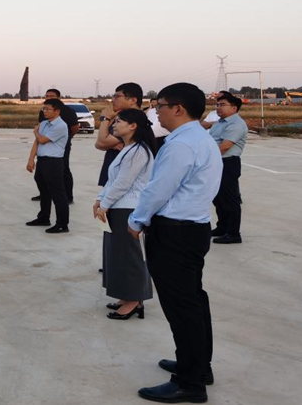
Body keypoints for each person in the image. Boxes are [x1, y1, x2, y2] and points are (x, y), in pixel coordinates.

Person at [127, 83, 222, 403]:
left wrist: (137, 220)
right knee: (193, 301)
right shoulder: (200, 138)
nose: (157, 113)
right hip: (193, 228)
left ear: (178, 109)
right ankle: (198, 366)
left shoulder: (181, 144)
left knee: (182, 309)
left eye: (160, 106)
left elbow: (158, 189)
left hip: (175, 233)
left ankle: (189, 382)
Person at [93, 108, 155, 319]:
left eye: (119, 121)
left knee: (129, 255)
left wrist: (104, 204)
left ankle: (135, 300)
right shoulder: (127, 149)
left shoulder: (138, 151)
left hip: (129, 208)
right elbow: (112, 180)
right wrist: (100, 199)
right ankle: (126, 295)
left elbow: (123, 183)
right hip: (117, 206)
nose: (114, 124)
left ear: (133, 126)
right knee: (117, 254)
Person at [209, 92, 248, 244]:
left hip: (228, 163)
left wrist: (204, 158)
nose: (218, 108)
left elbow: (224, 147)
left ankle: (233, 233)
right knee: (218, 198)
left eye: (222, 105)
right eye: (217, 105)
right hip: (217, 162)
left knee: (229, 199)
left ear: (234, 108)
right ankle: (222, 227)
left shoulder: (236, 124)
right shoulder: (220, 122)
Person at [26, 99, 70, 233]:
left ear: (57, 111)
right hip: (42, 161)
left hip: (53, 162)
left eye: (47, 109)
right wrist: (31, 159)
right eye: (43, 109)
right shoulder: (44, 123)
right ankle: (44, 217)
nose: (44, 111)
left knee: (58, 194)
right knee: (44, 192)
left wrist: (35, 132)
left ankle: (62, 224)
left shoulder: (61, 125)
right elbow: (36, 142)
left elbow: (42, 139)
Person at [30, 88, 79, 203]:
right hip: (45, 145)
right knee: (42, 174)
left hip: (60, 145)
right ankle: (45, 194)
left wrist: (67, 137)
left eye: (52, 96)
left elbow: (75, 127)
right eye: (47, 96)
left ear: (58, 97)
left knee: (64, 170)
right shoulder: (44, 112)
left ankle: (68, 196)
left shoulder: (68, 111)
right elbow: (41, 127)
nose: (49, 98)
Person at [96, 83, 144, 186]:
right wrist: (111, 144)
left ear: (133, 100)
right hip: (114, 169)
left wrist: (105, 118)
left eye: (117, 96)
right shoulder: (120, 117)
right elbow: (99, 144)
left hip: (122, 175)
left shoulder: (133, 120)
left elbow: (101, 143)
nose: (112, 100)